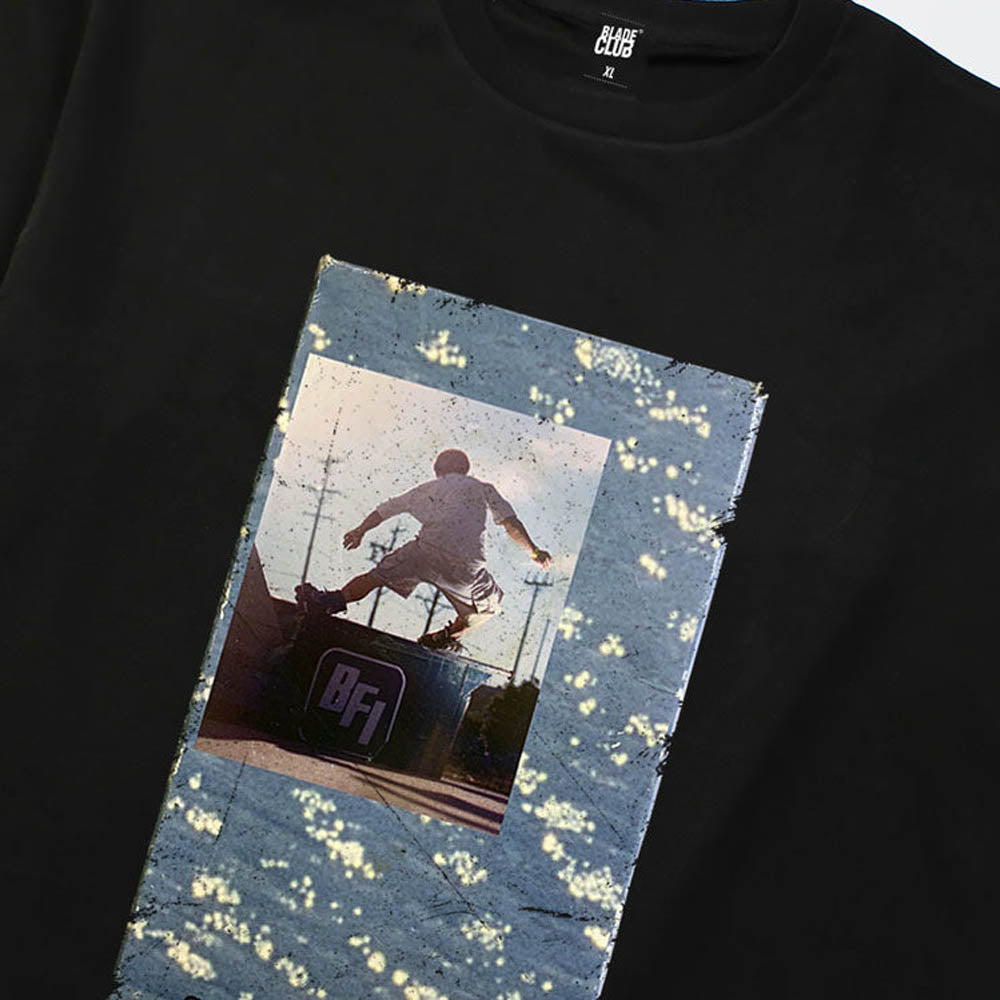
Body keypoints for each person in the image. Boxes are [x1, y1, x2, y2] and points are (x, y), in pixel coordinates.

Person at [295, 448, 552, 651]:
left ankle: (329, 601)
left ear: (437, 470)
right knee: (487, 609)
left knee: (375, 577)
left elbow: (386, 509)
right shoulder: (483, 488)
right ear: (466, 469)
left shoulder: (428, 488)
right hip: (467, 566)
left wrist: (360, 530)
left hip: (423, 552)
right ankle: (444, 638)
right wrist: (534, 551)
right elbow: (510, 524)